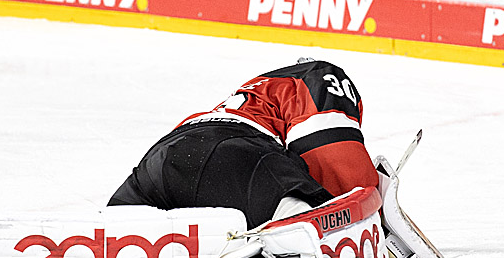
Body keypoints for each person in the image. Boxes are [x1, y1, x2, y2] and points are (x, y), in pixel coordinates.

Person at [108, 57, 379, 228]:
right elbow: (341, 170)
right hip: (234, 153)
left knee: (111, 233)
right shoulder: (318, 75)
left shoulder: (253, 94)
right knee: (307, 227)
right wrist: (377, 222)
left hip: (161, 162)